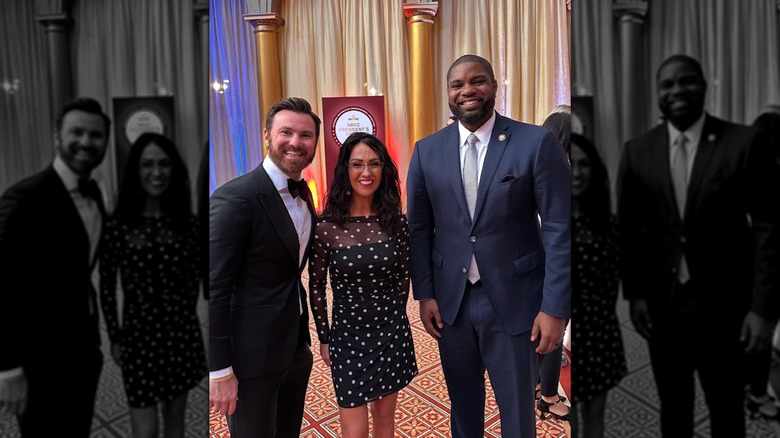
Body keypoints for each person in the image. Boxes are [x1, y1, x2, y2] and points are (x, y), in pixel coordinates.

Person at [406, 54, 571, 437]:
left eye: (477, 81)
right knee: (463, 409)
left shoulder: (535, 143)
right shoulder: (426, 150)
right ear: (448, 93)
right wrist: (425, 294)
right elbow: (419, 229)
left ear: (494, 87)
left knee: (517, 413)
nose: (467, 91)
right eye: (457, 85)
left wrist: (555, 308)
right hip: (452, 306)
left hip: (517, 304)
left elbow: (560, 230)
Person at [617, 54, 780, 438]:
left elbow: (769, 230)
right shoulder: (637, 150)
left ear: (704, 86)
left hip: (727, 308)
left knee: (726, 409)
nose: (677, 90)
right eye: (667, 84)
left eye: (686, 81)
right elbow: (629, 229)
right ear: (658, 93)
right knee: (674, 408)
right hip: (663, 307)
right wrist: (635, 294)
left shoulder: (744, 142)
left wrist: (762, 309)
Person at [208, 96, 320, 437]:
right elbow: (213, 290)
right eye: (286, 132)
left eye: (305, 135)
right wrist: (219, 371)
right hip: (250, 360)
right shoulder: (235, 199)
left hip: (294, 350)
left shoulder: (304, 195)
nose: (296, 143)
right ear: (267, 136)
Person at [0, 97, 110, 436]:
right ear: (57, 136)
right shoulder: (23, 199)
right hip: (39, 359)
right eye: (76, 132)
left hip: (83, 350)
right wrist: (9, 369)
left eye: (95, 135)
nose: (86, 142)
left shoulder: (95, 195)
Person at [308, 132, 418, 438]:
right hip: (347, 339)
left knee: (384, 422)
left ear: (384, 170)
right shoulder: (326, 226)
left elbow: (404, 276)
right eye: (357, 165)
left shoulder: (397, 223)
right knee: (354, 432)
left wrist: (395, 319)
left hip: (390, 334)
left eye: (374, 164)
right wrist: (325, 338)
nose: (366, 173)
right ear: (346, 170)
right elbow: (315, 286)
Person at [99, 133, 207, 438]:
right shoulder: (118, 225)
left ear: (174, 169)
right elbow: (107, 287)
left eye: (163, 164)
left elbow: (197, 280)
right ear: (135, 169)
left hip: (182, 335)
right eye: (147, 165)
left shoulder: (188, 223)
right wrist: (116, 337)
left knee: (175, 424)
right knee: (144, 431)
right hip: (138, 338)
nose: (156, 173)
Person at [569, 133, 627, 438]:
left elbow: (615, 279)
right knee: (573, 418)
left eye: (583, 164)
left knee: (595, 418)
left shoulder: (607, 222)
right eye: (569, 164)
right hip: (567, 330)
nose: (576, 172)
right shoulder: (550, 221)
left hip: (601, 330)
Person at [535, 109, 573, 423]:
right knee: (554, 331)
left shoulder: (537, 167)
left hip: (536, 262)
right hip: (558, 264)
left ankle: (538, 385)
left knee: (541, 330)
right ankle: (548, 397)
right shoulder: (565, 175)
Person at [743, 110, 780, 420]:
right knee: (760, 331)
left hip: (758, 265)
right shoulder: (761, 172)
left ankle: (754, 387)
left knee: (758, 331)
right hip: (759, 267)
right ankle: (756, 393)